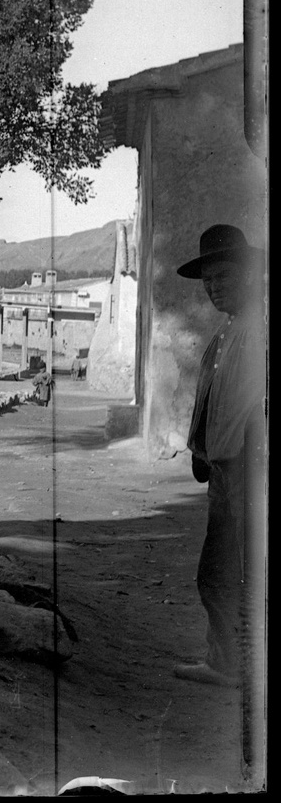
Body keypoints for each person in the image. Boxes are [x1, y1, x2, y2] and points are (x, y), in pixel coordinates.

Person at [169, 224, 266, 689]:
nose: (214, 287)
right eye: (208, 281)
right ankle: (228, 661)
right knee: (222, 571)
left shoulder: (258, 329)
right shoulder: (231, 330)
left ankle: (238, 666)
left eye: (223, 276)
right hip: (226, 471)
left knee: (236, 573)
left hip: (247, 470)